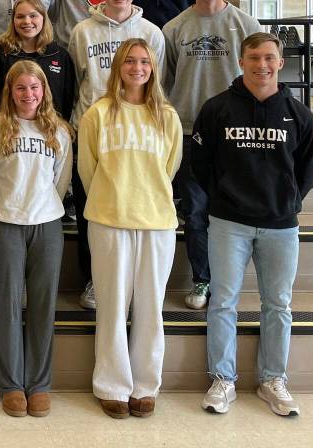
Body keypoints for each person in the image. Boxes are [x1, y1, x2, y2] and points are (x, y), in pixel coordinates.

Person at [193, 32, 313, 418]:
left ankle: (273, 380)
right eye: (253, 58)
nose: (261, 65)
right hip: (229, 221)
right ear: (241, 61)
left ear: (280, 63)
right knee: (223, 303)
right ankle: (223, 380)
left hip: (280, 225)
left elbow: (308, 170)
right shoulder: (217, 109)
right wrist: (223, 197)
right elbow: (201, 164)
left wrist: (286, 202)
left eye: (269, 58)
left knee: (278, 304)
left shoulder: (299, 114)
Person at [77, 39, 182, 419]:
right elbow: (88, 170)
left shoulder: (166, 117)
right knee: (112, 307)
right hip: (109, 219)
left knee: (151, 308)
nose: (137, 68)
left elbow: (169, 169)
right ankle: (112, 385)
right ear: (118, 66)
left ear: (153, 68)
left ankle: (145, 385)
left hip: (156, 221)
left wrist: (146, 196)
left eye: (144, 62)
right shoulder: (99, 114)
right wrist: (113, 198)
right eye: (130, 61)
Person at [162, 0, 261, 311]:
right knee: (197, 212)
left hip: (235, 134)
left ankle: (228, 280)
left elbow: (258, 80)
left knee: (232, 212)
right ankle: (203, 280)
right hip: (190, 132)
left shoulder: (246, 26)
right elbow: (166, 82)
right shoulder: (175, 28)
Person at [0, 61, 72, 419]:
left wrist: (45, 207)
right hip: (6, 222)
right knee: (8, 305)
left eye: (35, 87)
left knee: (44, 306)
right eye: (21, 88)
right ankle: (12, 384)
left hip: (47, 224)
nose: (28, 94)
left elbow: (60, 182)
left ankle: (40, 384)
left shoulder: (58, 131)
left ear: (43, 90)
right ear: (10, 91)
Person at [68, 0, 166, 310]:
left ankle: (133, 279)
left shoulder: (152, 33)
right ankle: (94, 279)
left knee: (131, 207)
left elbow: (156, 82)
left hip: (135, 134)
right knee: (90, 210)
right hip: (93, 130)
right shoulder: (83, 31)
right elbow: (77, 80)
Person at [0, 0, 75, 122]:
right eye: (20, 16)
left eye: (33, 16)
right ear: (13, 21)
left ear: (43, 18)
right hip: (8, 130)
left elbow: (67, 100)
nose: (27, 21)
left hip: (50, 130)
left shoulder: (60, 56)